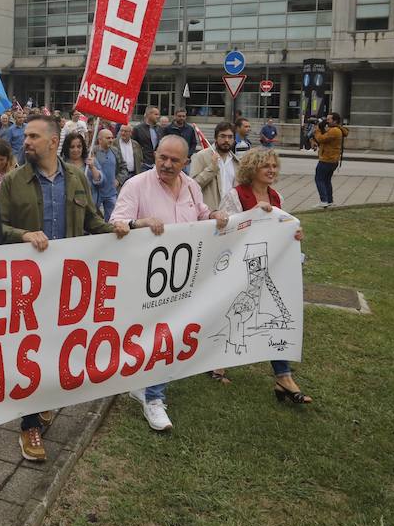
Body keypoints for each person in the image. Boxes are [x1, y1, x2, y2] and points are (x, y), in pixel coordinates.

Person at [0, 115, 122, 461]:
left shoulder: (77, 178)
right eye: (26, 136)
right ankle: (30, 425)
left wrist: (124, 230)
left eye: (34, 136)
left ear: (54, 142)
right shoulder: (13, 181)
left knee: (58, 347)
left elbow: (93, 222)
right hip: (29, 285)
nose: (27, 142)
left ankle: (46, 399)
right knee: (31, 353)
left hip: (67, 284)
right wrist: (22, 235)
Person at [110, 135, 230, 432]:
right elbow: (117, 222)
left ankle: (145, 387)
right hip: (146, 281)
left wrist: (214, 215)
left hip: (182, 279)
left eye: (174, 160)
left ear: (186, 163)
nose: (166, 164)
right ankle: (154, 399)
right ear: (155, 154)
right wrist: (140, 223)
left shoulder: (190, 186)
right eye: (162, 157)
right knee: (159, 336)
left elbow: (201, 213)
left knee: (169, 336)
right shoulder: (136, 185)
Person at [216, 149, 310, 403]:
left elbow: (283, 226)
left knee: (266, 316)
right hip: (240, 267)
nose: (271, 170)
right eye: (265, 166)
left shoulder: (276, 196)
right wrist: (251, 215)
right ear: (252, 169)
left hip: (268, 267)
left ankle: (284, 376)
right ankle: (217, 363)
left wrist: (294, 233)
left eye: (274, 166)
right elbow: (223, 227)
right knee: (235, 313)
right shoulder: (236, 195)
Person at [190, 120, 238, 212]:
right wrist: (212, 168)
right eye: (223, 136)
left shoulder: (236, 162)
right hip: (209, 215)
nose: (226, 140)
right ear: (216, 137)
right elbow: (193, 186)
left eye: (230, 137)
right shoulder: (201, 156)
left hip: (231, 215)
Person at [309, 113, 348, 208]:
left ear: (335, 121)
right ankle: (329, 201)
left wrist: (317, 129)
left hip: (327, 159)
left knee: (319, 179)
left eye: (328, 119)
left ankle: (324, 200)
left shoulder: (334, 131)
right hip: (331, 159)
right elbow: (325, 140)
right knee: (326, 180)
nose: (326, 121)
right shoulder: (335, 129)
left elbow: (321, 138)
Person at [87, 128, 122, 221]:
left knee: (113, 219)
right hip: (96, 193)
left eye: (112, 138)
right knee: (94, 219)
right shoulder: (92, 152)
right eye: (108, 138)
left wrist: (119, 179)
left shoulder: (115, 151)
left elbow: (123, 167)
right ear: (100, 140)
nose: (111, 140)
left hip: (111, 193)